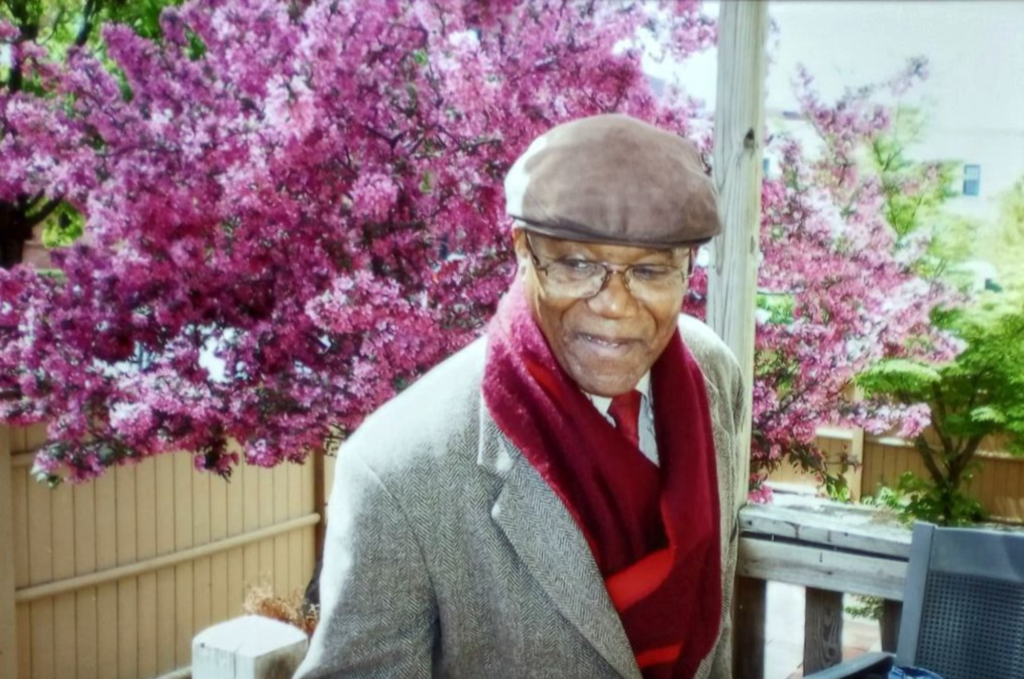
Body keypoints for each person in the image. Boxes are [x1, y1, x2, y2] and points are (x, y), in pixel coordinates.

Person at [294, 114, 747, 679]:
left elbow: (715, 632)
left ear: (689, 268)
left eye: (652, 270)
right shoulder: (397, 470)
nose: (613, 304)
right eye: (577, 264)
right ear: (522, 250)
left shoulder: (714, 378)